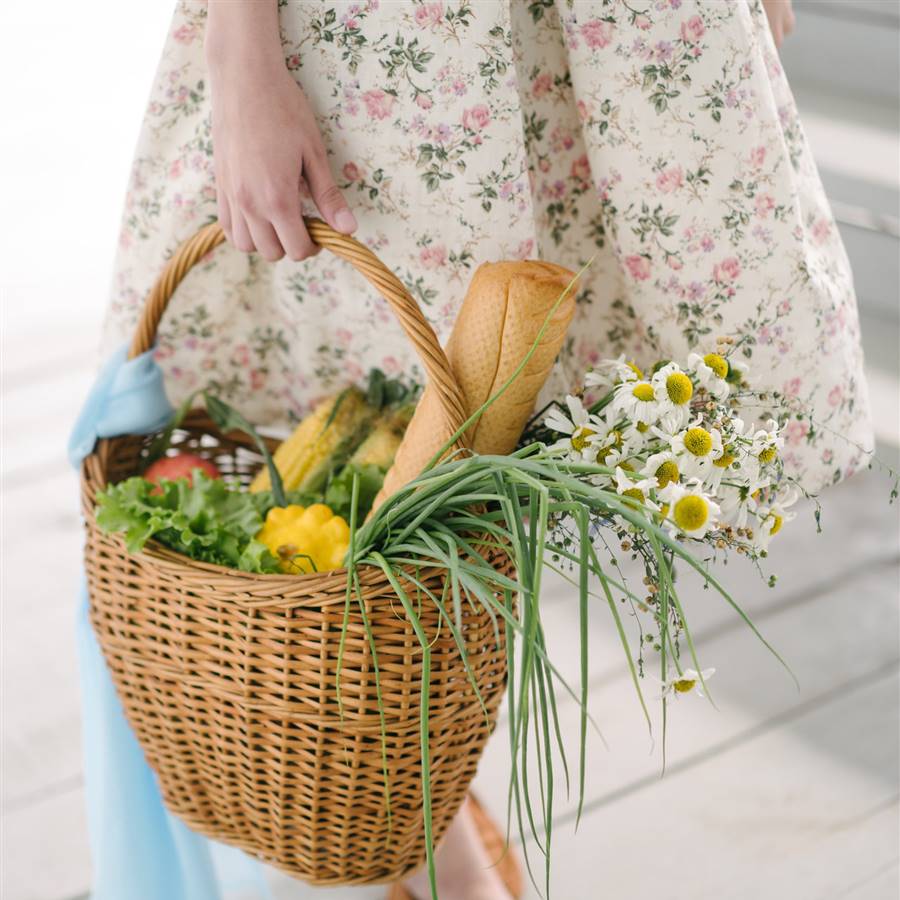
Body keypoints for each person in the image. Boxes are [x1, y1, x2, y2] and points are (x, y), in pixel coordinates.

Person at [99, 2, 869, 898]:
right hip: (418, 45)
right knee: (402, 419)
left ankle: (426, 817)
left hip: (620, 35)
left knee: (502, 435)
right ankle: (423, 831)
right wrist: (240, 54)